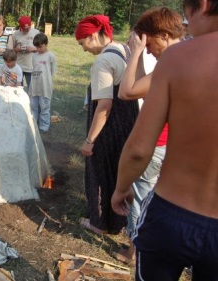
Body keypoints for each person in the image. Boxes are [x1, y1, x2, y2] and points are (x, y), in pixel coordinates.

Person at [111, 0, 218, 279]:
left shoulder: (179, 58)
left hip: (172, 212)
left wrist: (121, 187)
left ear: (203, 5)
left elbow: (138, 149)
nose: (185, 22)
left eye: (186, 11)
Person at [113, 7, 183, 265]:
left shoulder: (175, 62)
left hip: (159, 144)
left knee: (138, 198)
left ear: (164, 35)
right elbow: (144, 88)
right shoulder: (185, 58)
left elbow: (127, 91)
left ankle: (134, 251)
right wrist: (141, 57)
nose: (150, 49)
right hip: (173, 146)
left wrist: (134, 52)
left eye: (150, 43)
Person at [75, 15, 139, 235]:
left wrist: (90, 140)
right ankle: (118, 221)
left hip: (109, 126)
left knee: (100, 172)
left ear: (93, 36)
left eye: (83, 43)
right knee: (118, 170)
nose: (83, 49)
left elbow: (104, 105)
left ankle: (99, 223)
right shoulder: (122, 49)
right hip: (127, 122)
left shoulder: (102, 61)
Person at [28, 33, 56, 133]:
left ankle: (44, 126)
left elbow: (52, 71)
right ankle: (34, 124)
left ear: (46, 44)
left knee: (44, 107)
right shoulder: (34, 56)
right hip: (35, 86)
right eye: (36, 47)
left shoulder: (50, 56)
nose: (38, 49)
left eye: (40, 47)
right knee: (33, 106)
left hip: (45, 86)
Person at [12, 16, 39, 89]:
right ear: (20, 27)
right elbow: (11, 50)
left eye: (28, 28)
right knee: (17, 90)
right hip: (18, 67)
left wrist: (33, 49)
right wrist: (17, 49)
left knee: (32, 90)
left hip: (31, 67)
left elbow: (42, 48)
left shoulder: (36, 33)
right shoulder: (15, 34)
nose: (27, 30)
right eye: (24, 29)